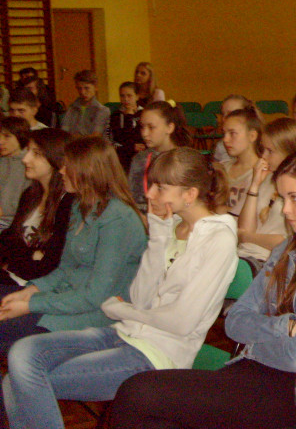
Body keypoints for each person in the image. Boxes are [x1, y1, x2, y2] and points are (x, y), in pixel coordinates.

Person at [107, 148, 296, 429]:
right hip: (249, 373)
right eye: (283, 198)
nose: (285, 209)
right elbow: (235, 322)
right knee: (146, 408)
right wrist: (287, 327)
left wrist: (259, 341)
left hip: (295, 395)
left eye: (294, 198)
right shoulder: (288, 248)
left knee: (137, 394)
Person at [2, 147, 239, 429]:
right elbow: (140, 297)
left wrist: (120, 309)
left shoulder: (218, 240)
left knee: (19, 381)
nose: (149, 194)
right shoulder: (172, 226)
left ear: (190, 194)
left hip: (158, 353)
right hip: (124, 332)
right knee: (22, 355)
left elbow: (181, 323)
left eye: (160, 188)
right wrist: (158, 235)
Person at [0, 137, 147, 357]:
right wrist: (30, 291)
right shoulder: (80, 205)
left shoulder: (118, 218)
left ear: (87, 171)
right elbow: (65, 268)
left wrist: (31, 304)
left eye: (67, 166)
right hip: (68, 299)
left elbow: (96, 295)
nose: (61, 171)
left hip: (97, 313)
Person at [0, 129, 74, 287]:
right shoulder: (30, 194)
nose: (25, 159)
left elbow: (50, 266)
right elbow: (10, 238)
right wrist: (30, 255)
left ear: (57, 159)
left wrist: (15, 257)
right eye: (28, 151)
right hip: (13, 277)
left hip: (36, 287)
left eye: (36, 154)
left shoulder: (68, 202)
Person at [237, 118, 296, 266]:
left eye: (270, 151)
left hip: (270, 261)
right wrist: (255, 185)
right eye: (263, 149)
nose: (263, 156)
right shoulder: (266, 178)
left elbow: (285, 242)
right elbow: (245, 228)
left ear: (289, 153)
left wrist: (247, 237)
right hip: (244, 255)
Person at [128, 101, 191, 213]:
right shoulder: (140, 159)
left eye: (151, 127)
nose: (144, 133)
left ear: (169, 128)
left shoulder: (185, 160)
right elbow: (134, 198)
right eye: (142, 127)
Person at [221, 108, 263, 217]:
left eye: (232, 133)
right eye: (224, 133)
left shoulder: (262, 172)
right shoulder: (222, 168)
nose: (225, 139)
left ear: (252, 136)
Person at [0, 117, 31, 230]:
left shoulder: (28, 164)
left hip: (13, 224)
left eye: (7, 136)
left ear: (20, 137)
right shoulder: (2, 160)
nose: (1, 141)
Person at [60, 70, 110, 137]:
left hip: (91, 143)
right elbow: (64, 132)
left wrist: (75, 137)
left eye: (86, 88)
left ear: (95, 87)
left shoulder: (102, 110)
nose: (82, 92)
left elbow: (95, 136)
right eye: (79, 88)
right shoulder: (71, 108)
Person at [213, 94, 258, 165]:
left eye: (232, 113)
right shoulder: (221, 145)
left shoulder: (261, 145)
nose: (224, 118)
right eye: (223, 114)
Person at [109, 81, 144, 172]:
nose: (125, 99)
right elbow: (118, 139)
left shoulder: (144, 113)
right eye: (122, 96)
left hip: (142, 156)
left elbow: (139, 136)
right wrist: (128, 117)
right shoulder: (116, 116)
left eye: (129, 96)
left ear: (137, 96)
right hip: (123, 157)